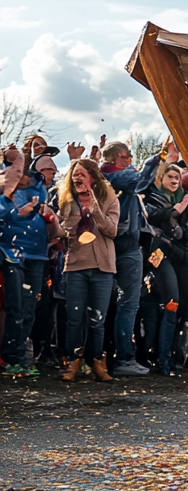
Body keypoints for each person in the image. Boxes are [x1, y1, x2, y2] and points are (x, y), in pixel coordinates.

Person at [99, 140, 162, 377]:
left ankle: (114, 356)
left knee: (121, 305)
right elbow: (141, 181)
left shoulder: (109, 176)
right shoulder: (114, 177)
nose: (130, 160)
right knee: (125, 305)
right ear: (116, 158)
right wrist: (155, 159)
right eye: (126, 156)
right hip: (122, 248)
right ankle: (123, 358)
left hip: (127, 246)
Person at [55, 159, 121, 382]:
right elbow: (61, 232)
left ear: (93, 177)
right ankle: (72, 363)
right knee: (74, 319)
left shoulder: (109, 199)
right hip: (75, 266)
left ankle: (97, 362)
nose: (78, 178)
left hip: (103, 267)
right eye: (75, 175)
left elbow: (112, 231)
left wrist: (94, 209)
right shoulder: (66, 202)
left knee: (98, 319)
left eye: (82, 174)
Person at [1, 146, 58, 377]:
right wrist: (17, 215)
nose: (22, 174)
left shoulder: (36, 184)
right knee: (16, 307)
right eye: (16, 164)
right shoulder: (5, 184)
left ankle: (22, 358)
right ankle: (12, 357)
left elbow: (41, 203)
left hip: (37, 253)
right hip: (12, 253)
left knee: (30, 306)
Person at [143, 162, 188, 375]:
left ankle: (171, 355)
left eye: (177, 177)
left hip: (181, 257)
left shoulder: (186, 200)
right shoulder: (150, 197)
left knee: (181, 307)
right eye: (170, 176)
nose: (174, 180)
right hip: (159, 257)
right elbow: (152, 219)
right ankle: (161, 359)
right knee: (170, 303)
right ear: (160, 178)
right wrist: (173, 213)